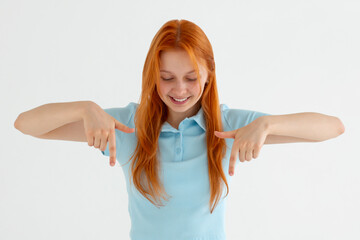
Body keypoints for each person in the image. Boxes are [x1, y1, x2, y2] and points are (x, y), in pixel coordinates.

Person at [14, 19, 345, 240]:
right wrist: (86, 109)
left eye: (191, 77)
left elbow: (333, 127)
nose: (180, 90)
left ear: (208, 75)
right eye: (167, 77)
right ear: (152, 75)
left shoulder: (230, 126)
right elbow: (26, 124)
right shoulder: (126, 126)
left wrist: (268, 124)